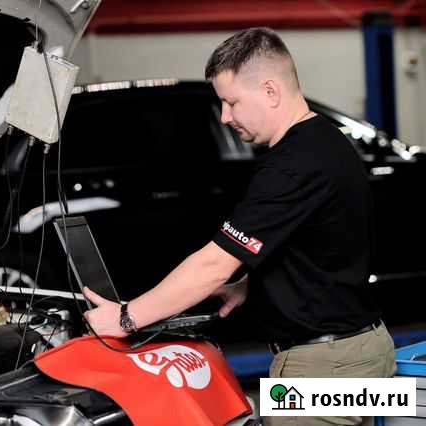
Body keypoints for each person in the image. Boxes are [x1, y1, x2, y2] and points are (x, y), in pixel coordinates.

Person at [83, 27, 396, 426]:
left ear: (270, 91)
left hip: (324, 365)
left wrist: (126, 318)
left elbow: (214, 264)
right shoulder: (328, 141)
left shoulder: (292, 165)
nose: (225, 116)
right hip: (365, 349)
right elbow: (326, 247)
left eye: (231, 102)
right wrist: (253, 286)